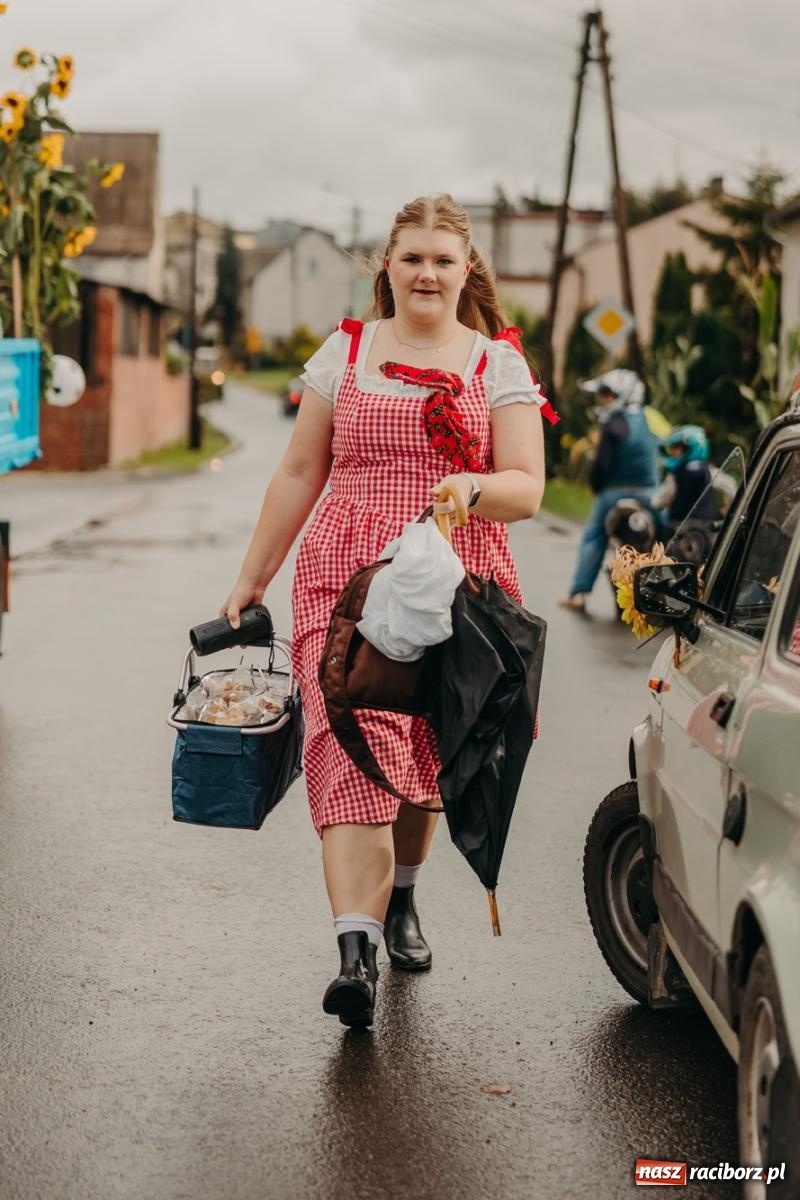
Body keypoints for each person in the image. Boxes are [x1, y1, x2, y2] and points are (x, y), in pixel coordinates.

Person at [220, 194, 548, 1029]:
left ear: (465, 268)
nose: (428, 272)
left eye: (443, 258)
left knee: (421, 765)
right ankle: (355, 955)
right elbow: (300, 471)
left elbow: (528, 486)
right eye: (412, 258)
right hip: (344, 578)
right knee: (349, 752)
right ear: (387, 269)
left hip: (455, 582)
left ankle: (401, 895)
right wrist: (252, 577)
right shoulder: (348, 350)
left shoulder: (496, 363)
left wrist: (472, 487)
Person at [559, 369, 658, 613]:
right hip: (648, 492)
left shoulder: (614, 424)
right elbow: (666, 448)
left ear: (624, 395)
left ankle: (578, 593)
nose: (604, 400)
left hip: (613, 492)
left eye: (609, 395)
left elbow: (601, 465)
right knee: (665, 534)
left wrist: (595, 486)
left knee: (594, 535)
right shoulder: (652, 418)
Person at [650, 425, 714, 527]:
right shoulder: (709, 470)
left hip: (679, 530)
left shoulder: (676, 474)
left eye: (677, 447)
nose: (672, 452)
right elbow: (731, 488)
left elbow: (656, 502)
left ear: (689, 447)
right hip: (705, 528)